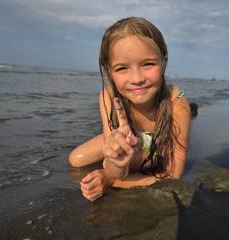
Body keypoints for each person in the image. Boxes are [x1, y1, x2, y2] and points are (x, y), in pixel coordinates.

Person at [69, 17, 191, 201]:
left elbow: (173, 175)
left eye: (148, 64)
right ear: (109, 70)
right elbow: (114, 167)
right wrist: (115, 158)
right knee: (76, 159)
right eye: (122, 68)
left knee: (138, 161)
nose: (136, 79)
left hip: (159, 142)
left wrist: (110, 180)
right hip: (134, 137)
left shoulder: (177, 103)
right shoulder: (108, 96)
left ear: (164, 61)